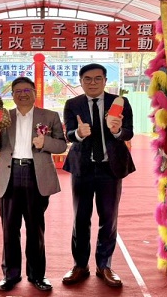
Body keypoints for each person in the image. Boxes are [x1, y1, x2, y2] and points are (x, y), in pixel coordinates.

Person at [0, 76, 67, 292]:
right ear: (12, 95)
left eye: (27, 90)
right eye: (18, 91)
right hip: (8, 175)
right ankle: (10, 275)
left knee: (35, 228)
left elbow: (61, 145)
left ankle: (37, 275)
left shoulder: (49, 116)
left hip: (36, 175)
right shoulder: (3, 116)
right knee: (9, 229)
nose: (22, 94)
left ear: (35, 92)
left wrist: (45, 142)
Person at [61, 63, 135, 288]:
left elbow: (129, 132)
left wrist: (117, 131)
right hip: (82, 168)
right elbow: (68, 134)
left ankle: (105, 266)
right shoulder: (73, 104)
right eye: (87, 79)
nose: (92, 83)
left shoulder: (119, 102)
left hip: (109, 169)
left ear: (104, 80)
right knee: (80, 219)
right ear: (81, 82)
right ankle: (80, 265)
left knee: (109, 218)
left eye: (97, 78)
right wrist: (78, 133)